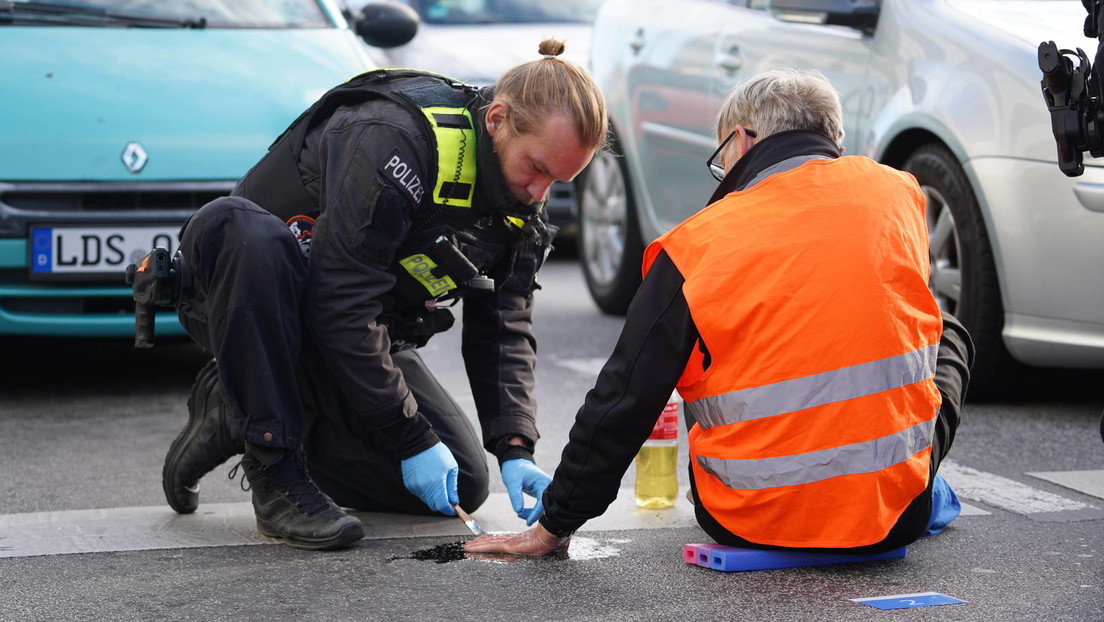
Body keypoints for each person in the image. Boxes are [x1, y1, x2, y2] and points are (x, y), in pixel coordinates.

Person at [465, 68, 974, 556]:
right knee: (942, 329)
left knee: (700, 345)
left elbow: (626, 396)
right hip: (893, 518)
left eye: (722, 158)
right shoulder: (900, 193)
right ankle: (906, 485)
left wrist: (555, 524)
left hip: (748, 519)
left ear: (742, 140)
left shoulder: (697, 244)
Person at [134, 39, 607, 551]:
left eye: (558, 181)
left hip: (354, 327)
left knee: (463, 485)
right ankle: (274, 468)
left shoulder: (519, 201)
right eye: (537, 168)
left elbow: (503, 330)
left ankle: (236, 408)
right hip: (245, 301)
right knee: (249, 232)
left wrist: (515, 448)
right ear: (496, 120)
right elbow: (341, 299)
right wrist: (408, 436)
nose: (540, 193)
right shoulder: (393, 138)